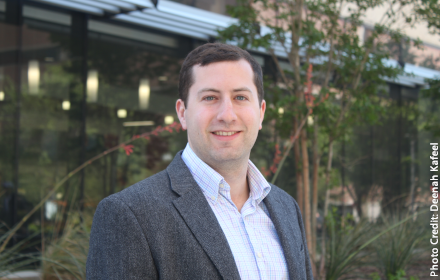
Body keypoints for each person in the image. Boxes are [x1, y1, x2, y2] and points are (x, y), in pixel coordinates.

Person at [86, 43, 313, 280]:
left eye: (240, 97)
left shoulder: (286, 208)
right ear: (182, 112)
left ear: (261, 113)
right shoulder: (128, 214)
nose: (227, 115)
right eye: (210, 97)